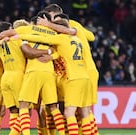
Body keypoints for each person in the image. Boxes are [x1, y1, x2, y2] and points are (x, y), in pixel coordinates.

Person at [19, 15, 95, 135]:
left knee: (69, 113)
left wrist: (20, 36)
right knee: (85, 113)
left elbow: (45, 40)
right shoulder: (77, 40)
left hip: (73, 78)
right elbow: (60, 54)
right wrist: (52, 55)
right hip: (85, 77)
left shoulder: (61, 38)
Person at [38, 4, 99, 135]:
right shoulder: (73, 26)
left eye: (50, 17)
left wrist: (47, 25)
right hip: (85, 70)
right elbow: (91, 36)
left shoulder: (67, 26)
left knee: (76, 109)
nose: (48, 20)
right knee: (84, 109)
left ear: (55, 14)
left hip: (79, 71)